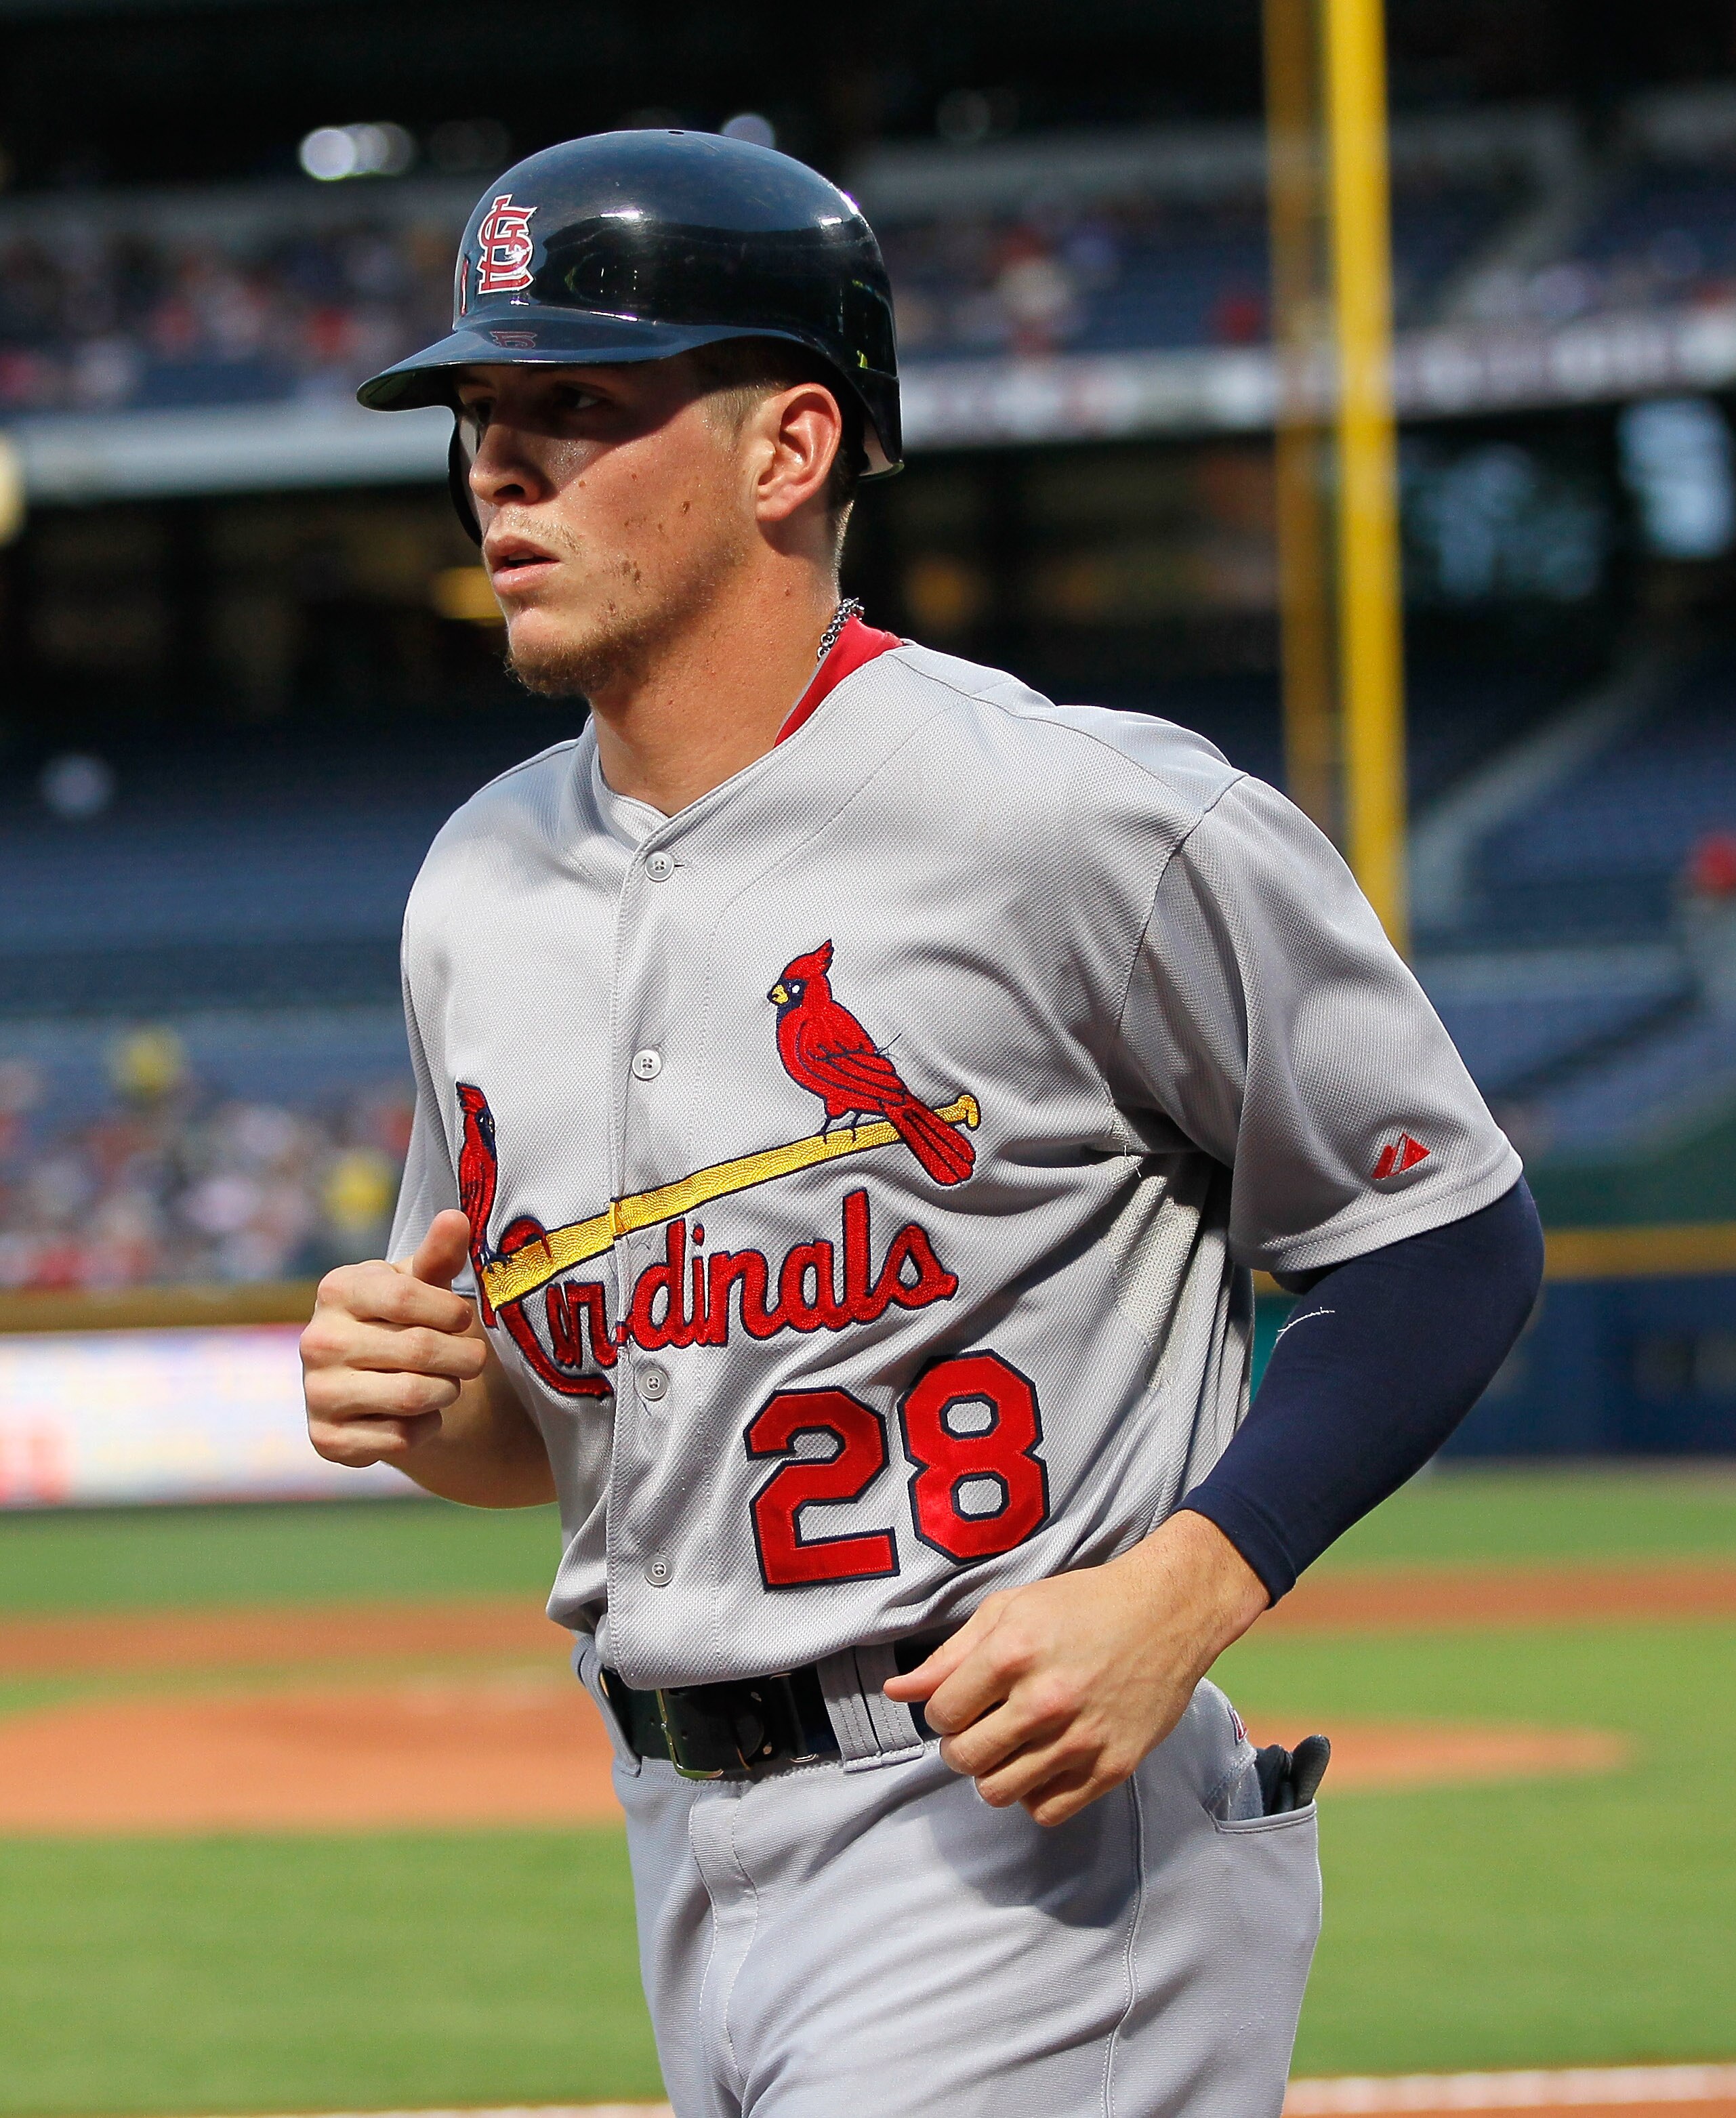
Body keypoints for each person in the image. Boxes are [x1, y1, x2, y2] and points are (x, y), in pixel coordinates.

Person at [301, 129, 1543, 2118]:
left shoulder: (1079, 819)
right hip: (679, 1840)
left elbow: (1446, 1236)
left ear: (791, 447)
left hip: (1016, 1854)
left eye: (577, 407)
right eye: (478, 410)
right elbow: (544, 1433)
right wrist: (415, 1390)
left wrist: (1193, 1578)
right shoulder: (475, 885)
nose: (497, 464)